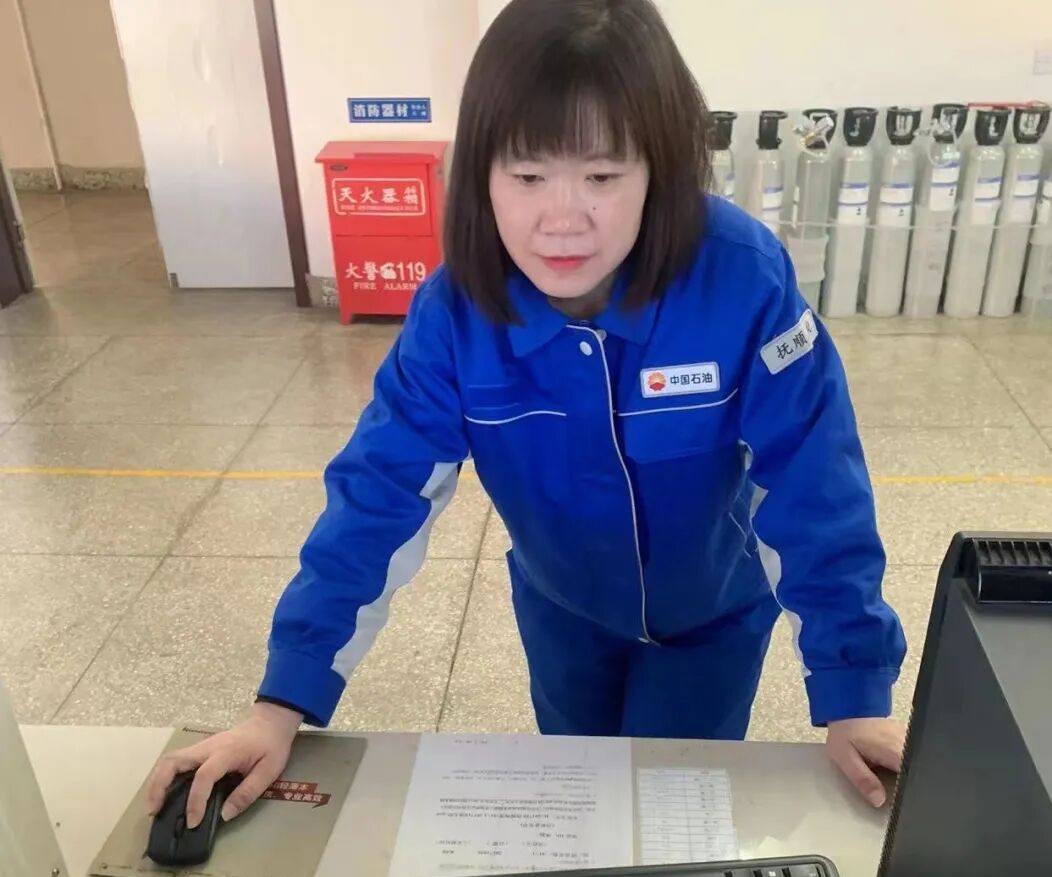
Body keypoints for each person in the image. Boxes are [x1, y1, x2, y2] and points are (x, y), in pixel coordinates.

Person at [148, 0, 907, 830]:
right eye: (528, 176)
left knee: (665, 824)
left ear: (659, 170)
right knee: (578, 806)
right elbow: (378, 497)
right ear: (481, 174)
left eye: (603, 177)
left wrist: (854, 693)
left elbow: (814, 482)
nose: (562, 219)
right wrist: (279, 704)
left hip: (711, 623)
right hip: (562, 617)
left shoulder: (742, 280)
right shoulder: (456, 314)